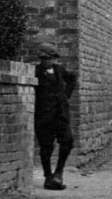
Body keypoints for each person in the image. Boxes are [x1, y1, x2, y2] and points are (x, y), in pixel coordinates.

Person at [34, 42, 77, 191]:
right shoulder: (36, 72)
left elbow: (72, 77)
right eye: (45, 59)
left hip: (60, 115)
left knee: (68, 141)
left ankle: (59, 171)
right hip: (43, 116)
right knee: (46, 147)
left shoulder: (59, 70)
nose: (48, 61)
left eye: (50, 59)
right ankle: (48, 177)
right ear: (41, 59)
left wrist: (66, 96)